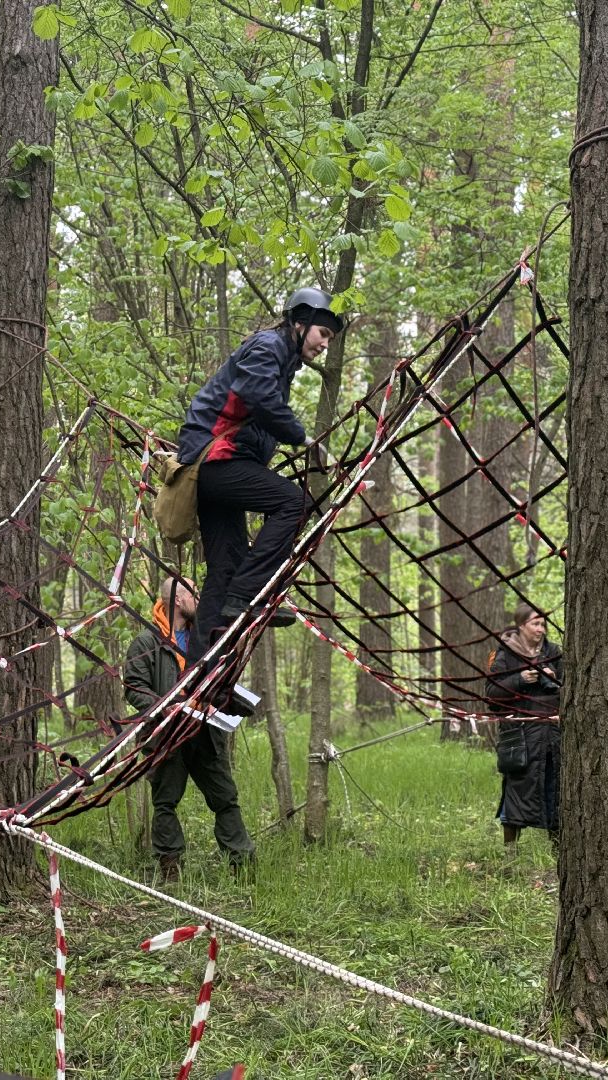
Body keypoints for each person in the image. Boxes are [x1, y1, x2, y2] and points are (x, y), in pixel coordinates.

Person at [176, 287, 344, 667]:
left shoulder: (280, 361)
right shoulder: (268, 347)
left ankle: (200, 672)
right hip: (214, 461)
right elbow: (259, 397)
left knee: (224, 569)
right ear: (301, 323)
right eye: (323, 335)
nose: (324, 345)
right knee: (295, 502)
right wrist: (303, 439)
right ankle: (251, 595)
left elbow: (259, 411)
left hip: (219, 468)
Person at [123, 577, 254, 881]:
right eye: (194, 593)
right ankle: (171, 870)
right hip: (167, 736)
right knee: (165, 802)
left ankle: (242, 865)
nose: (199, 598)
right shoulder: (147, 642)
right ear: (179, 600)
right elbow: (133, 687)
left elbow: (223, 679)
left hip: (206, 736)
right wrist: (164, 708)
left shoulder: (207, 638)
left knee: (225, 798)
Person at [485, 603, 563, 854]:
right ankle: (510, 853)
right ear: (521, 626)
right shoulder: (504, 655)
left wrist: (554, 679)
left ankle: (558, 852)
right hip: (518, 738)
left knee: (555, 792)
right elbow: (491, 695)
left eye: (543, 624)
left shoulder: (554, 652)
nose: (541, 629)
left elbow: (570, 690)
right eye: (535, 623)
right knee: (517, 792)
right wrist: (520, 680)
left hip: (552, 737)